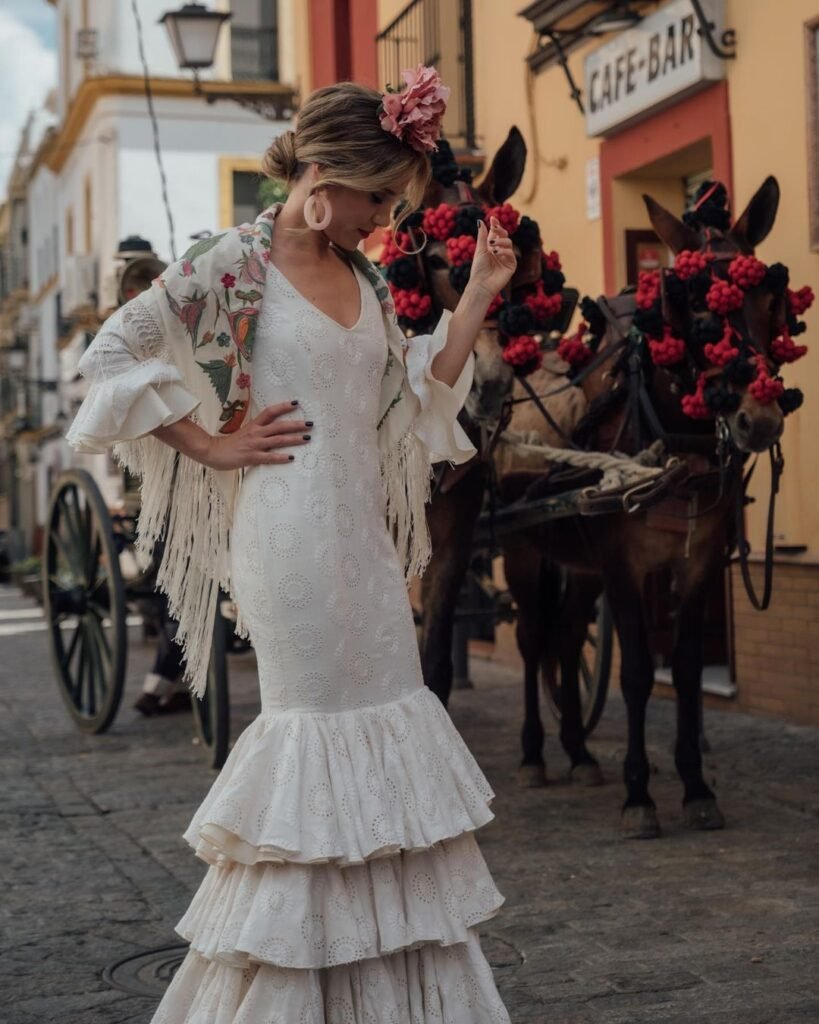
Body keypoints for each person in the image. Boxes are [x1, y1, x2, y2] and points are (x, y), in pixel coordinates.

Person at [67, 68, 516, 1023]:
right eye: (379, 198)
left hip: (362, 548)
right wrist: (210, 441)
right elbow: (108, 357)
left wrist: (478, 294)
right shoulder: (229, 265)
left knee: (386, 754)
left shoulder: (365, 279)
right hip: (290, 548)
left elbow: (414, 398)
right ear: (328, 173)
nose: (384, 221)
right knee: (315, 764)